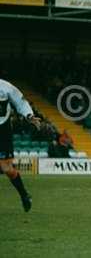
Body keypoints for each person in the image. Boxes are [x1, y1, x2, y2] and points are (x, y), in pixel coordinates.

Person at [0, 79, 41, 212]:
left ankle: (24, 195)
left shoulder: (5, 87)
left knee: (7, 168)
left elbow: (20, 102)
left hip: (2, 130)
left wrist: (29, 116)